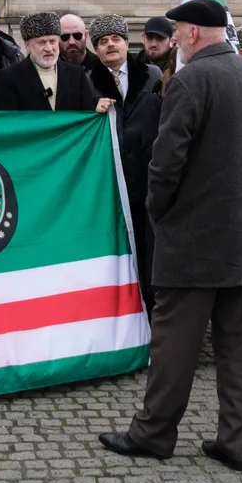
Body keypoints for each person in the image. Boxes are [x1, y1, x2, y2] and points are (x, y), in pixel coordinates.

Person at [98, 0, 242, 472]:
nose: (175, 38)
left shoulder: (189, 80)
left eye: (178, 30)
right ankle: (236, 443)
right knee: (235, 346)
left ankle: (153, 434)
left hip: (192, 237)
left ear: (191, 33)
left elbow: (166, 160)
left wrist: (158, 211)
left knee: (173, 343)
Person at [84, 15, 164, 309]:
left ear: (127, 43)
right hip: (110, 181)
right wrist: (91, 109)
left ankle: (152, 308)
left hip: (147, 177)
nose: (110, 45)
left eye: (115, 39)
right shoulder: (86, 81)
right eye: (103, 41)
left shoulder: (153, 75)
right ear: (96, 50)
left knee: (149, 249)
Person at [0, 12, 107, 113]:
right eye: (42, 42)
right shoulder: (8, 77)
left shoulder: (76, 74)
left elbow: (85, 115)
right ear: (27, 45)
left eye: (52, 41)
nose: (49, 48)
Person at [139, 17, 178, 83]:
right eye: (149, 37)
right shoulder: (131, 68)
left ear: (171, 41)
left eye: (160, 38)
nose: (153, 44)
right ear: (143, 39)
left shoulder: (179, 69)